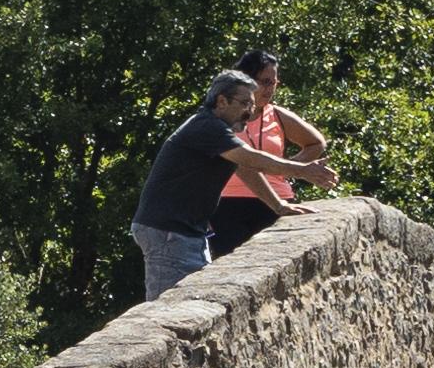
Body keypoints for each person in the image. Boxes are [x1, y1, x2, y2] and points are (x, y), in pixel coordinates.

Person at [131, 71, 320, 299]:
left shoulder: (217, 132)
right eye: (244, 103)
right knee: (169, 305)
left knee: (192, 299)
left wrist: (278, 205)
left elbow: (245, 168)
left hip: (185, 231)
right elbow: (253, 159)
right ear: (222, 101)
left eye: (252, 105)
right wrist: (302, 170)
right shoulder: (207, 127)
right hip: (169, 231)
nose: (250, 112)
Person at [209, 48, 334, 255]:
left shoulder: (277, 115)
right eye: (264, 82)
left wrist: (284, 170)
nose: (269, 89)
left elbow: (316, 143)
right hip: (228, 204)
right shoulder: (224, 116)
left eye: (273, 82)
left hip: (278, 200)